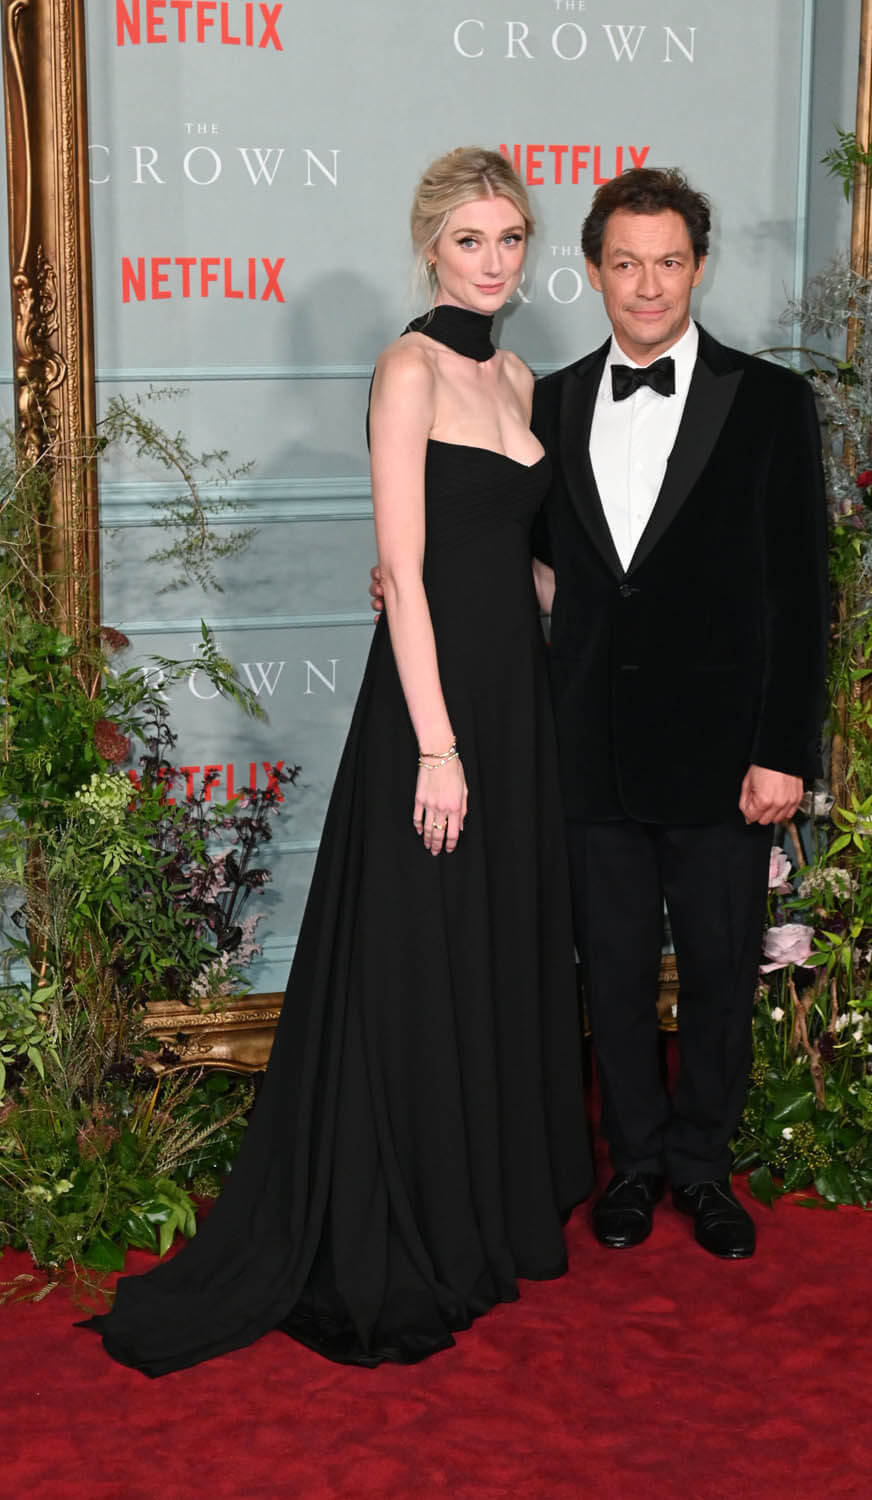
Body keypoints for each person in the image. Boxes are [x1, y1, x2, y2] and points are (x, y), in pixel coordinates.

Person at [84, 147, 593, 1375]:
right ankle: (408, 1208)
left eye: (510, 238)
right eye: (469, 240)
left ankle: (484, 1198)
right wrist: (436, 748)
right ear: (429, 247)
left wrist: (607, 608)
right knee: (418, 950)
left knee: (492, 937)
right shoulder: (405, 369)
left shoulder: (520, 377)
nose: (492, 261)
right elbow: (406, 575)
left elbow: (514, 563)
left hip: (514, 701)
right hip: (433, 710)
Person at [530, 168, 828, 1259]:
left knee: (717, 976)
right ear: (593, 271)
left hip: (723, 759)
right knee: (609, 979)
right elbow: (526, 565)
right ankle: (634, 1164)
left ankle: (703, 1167)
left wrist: (782, 752)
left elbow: (800, 592)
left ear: (699, 266)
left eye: (667, 262)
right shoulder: (549, 403)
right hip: (588, 751)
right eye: (626, 263)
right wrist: (414, 574)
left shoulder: (770, 402)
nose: (647, 285)